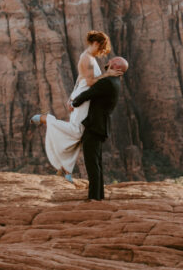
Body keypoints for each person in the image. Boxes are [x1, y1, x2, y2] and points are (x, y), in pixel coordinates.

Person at [31, 31, 120, 183]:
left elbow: (80, 77)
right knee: (76, 131)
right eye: (102, 48)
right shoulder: (87, 59)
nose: (101, 53)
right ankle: (47, 119)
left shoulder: (88, 57)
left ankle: (66, 169)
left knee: (79, 135)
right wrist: (108, 74)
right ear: (97, 44)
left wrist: (71, 96)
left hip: (82, 97)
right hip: (84, 101)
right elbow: (91, 82)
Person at [70, 55, 127, 200]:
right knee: (96, 162)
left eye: (112, 61)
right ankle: (98, 196)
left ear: (116, 66)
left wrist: (74, 103)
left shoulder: (107, 82)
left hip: (95, 126)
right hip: (100, 126)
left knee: (92, 163)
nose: (108, 62)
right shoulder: (113, 80)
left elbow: (89, 93)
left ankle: (94, 198)